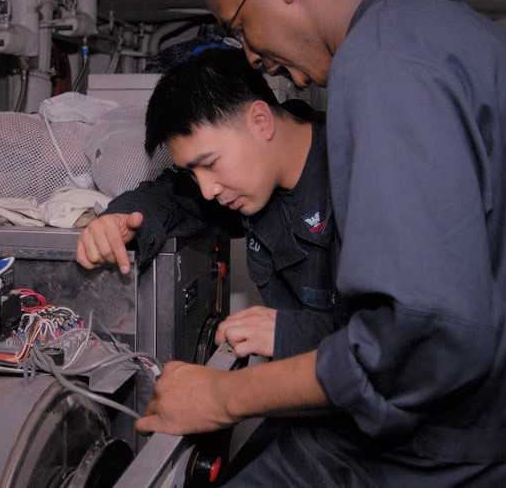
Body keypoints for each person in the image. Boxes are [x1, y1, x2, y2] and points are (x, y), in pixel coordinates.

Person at [82, 0, 506, 486]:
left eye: (241, 25)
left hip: (442, 454)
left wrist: (224, 396)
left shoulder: (384, 59)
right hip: (491, 436)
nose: (253, 55)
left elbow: (421, 337)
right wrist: (122, 217)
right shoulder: (472, 43)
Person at [77, 46, 338, 362]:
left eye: (210, 163)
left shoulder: (360, 172)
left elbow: (396, 332)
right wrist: (116, 219)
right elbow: (169, 197)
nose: (207, 190)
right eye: (193, 172)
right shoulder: (251, 180)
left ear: (260, 121)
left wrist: (289, 333)